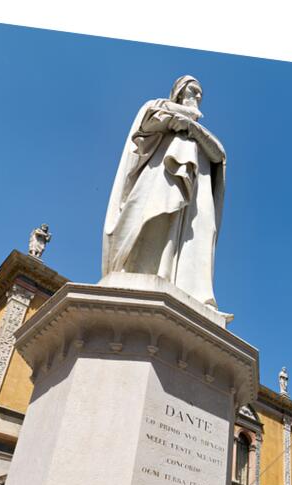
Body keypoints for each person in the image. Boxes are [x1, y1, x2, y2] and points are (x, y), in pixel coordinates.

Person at [102, 75, 226, 310]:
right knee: (156, 215)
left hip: (195, 199)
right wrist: (177, 120)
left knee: (197, 236)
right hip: (161, 177)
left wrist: (192, 128)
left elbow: (218, 155)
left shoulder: (201, 132)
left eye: (200, 92)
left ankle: (187, 287)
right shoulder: (158, 106)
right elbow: (147, 124)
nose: (198, 95)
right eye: (193, 90)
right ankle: (144, 271)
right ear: (179, 91)